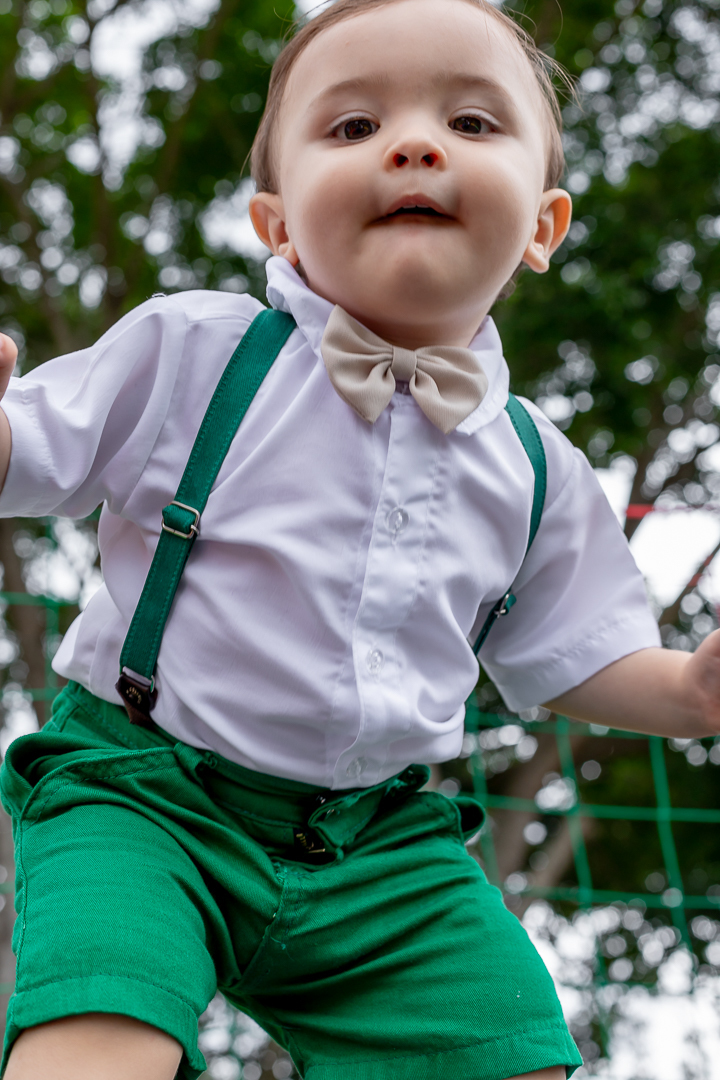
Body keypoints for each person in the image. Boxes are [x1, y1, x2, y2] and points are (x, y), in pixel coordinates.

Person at [0, 0, 718, 1077]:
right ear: (278, 224)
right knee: (100, 1028)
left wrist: (695, 692)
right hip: (143, 796)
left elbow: (582, 654)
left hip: (382, 850)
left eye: (471, 123)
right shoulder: (196, 351)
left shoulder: (536, 466)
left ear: (543, 227)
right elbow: (33, 449)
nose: (415, 144)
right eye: (353, 127)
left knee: (514, 1044)